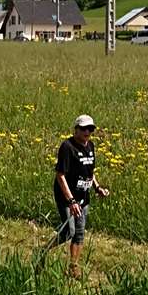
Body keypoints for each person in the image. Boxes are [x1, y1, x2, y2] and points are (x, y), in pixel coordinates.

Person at [54, 114, 109, 279]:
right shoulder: (67, 147)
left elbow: (90, 172)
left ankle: (73, 267)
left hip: (83, 197)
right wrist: (71, 201)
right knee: (68, 233)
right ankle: (42, 251)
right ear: (76, 129)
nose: (87, 132)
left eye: (90, 129)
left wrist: (97, 188)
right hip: (67, 197)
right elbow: (60, 175)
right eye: (84, 128)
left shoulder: (90, 146)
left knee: (79, 234)